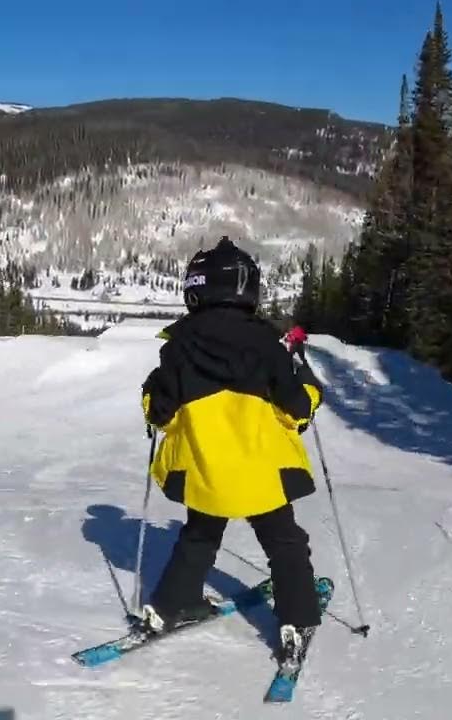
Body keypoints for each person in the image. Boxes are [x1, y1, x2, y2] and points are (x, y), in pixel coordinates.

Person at [139, 236, 324, 667]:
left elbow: (160, 416)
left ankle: (172, 604)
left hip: (206, 472)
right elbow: (296, 412)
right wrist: (312, 389)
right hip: (262, 474)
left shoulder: (177, 348)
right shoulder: (268, 345)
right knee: (284, 542)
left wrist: (151, 391)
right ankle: (296, 619)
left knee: (199, 535)